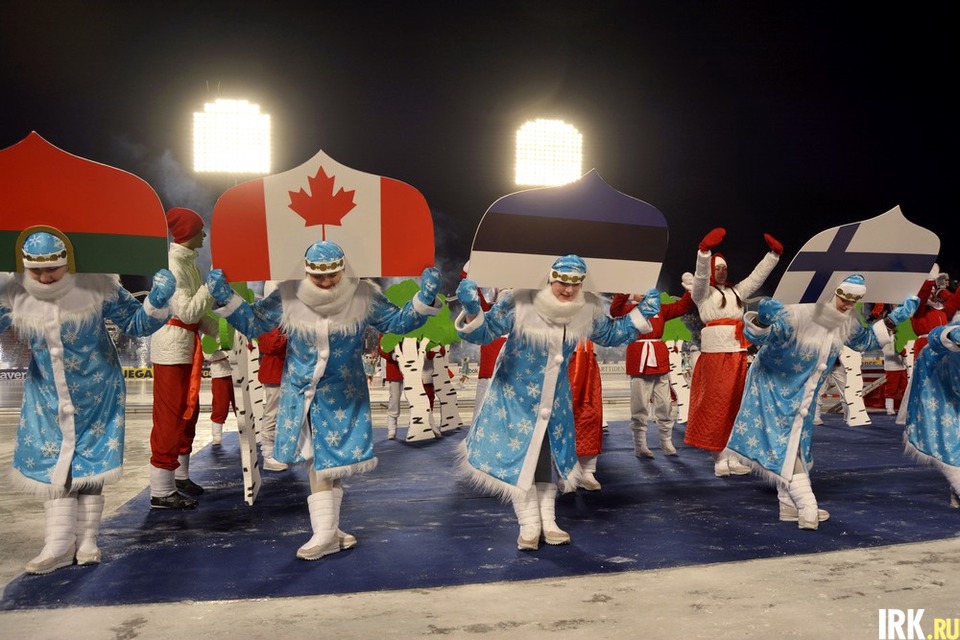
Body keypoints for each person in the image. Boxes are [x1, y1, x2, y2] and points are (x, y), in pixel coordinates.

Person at [208, 240, 442, 560]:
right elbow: (254, 322)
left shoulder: (363, 295)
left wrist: (424, 299)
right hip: (302, 393)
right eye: (318, 276)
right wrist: (226, 298)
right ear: (307, 272)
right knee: (319, 461)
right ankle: (327, 532)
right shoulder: (289, 294)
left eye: (333, 274)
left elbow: (397, 323)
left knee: (332, 463)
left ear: (343, 268)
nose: (327, 282)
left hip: (344, 394)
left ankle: (328, 530)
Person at [455, 255, 660, 550]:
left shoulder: (585, 308)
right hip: (514, 398)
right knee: (521, 457)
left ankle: (549, 521)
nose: (569, 289)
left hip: (555, 398)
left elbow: (610, 334)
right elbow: (484, 333)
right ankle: (528, 523)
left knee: (547, 457)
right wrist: (473, 311)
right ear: (550, 278)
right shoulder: (519, 301)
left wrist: (641, 314)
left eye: (576, 283)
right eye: (563, 282)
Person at [0, 227, 174, 574]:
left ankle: (88, 540)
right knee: (55, 463)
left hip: (99, 390)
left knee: (93, 461)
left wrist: (157, 300)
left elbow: (136, 324)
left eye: (52, 268)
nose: (44, 278)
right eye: (36, 270)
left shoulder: (98, 284)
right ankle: (58, 543)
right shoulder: (14, 291)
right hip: (46, 394)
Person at [725, 275, 919, 529]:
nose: (848, 305)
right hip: (772, 385)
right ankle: (807, 505)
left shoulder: (846, 321)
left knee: (799, 443)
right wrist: (762, 320)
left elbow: (865, 342)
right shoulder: (797, 312)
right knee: (785, 443)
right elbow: (760, 338)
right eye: (844, 297)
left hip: (804, 392)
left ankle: (788, 504)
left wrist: (894, 320)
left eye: (855, 300)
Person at [683, 227, 782, 477]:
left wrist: (773, 256)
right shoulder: (702, 294)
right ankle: (718, 457)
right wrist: (704, 252)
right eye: (717, 268)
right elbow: (701, 277)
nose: (721, 271)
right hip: (715, 355)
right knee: (716, 406)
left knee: (736, 407)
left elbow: (756, 278)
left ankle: (732, 455)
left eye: (723, 268)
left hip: (737, 353)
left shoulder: (736, 292)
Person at [148, 208, 217, 510]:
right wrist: (211, 287)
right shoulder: (174, 265)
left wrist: (224, 331)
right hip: (171, 349)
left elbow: (197, 315)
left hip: (185, 346)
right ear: (189, 232)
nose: (204, 234)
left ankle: (179, 476)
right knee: (171, 416)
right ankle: (161, 490)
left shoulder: (188, 263)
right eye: (200, 229)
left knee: (188, 412)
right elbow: (188, 312)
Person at [610, 288, 694, 457]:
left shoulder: (660, 308)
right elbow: (614, 310)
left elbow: (682, 307)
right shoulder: (629, 310)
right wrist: (625, 289)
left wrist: (690, 289)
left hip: (659, 359)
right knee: (639, 405)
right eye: (638, 289)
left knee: (665, 403)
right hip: (639, 360)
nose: (642, 292)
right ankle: (640, 444)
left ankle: (666, 440)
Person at [904, 321, 960, 508]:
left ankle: (956, 493)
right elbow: (937, 336)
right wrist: (952, 335)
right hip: (940, 391)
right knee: (949, 443)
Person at [567, 339, 604, 490]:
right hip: (558, 357)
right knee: (562, 416)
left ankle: (587, 471)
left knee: (591, 414)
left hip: (587, 356)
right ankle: (565, 471)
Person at [257, 319, 288, 470]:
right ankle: (268, 454)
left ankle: (280, 451)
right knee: (272, 413)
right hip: (274, 373)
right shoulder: (267, 322)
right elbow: (271, 345)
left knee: (286, 414)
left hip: (287, 373)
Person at [205, 346, 235, 445]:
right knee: (220, 406)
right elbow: (208, 355)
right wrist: (229, 353)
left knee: (242, 406)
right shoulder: (207, 336)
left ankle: (248, 433)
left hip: (238, 372)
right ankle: (216, 436)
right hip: (220, 374)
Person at [377, 338, 404, 440]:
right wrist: (391, 355)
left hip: (414, 367)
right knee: (395, 399)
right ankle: (392, 428)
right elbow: (381, 348)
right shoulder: (386, 331)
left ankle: (418, 425)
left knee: (417, 399)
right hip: (395, 369)